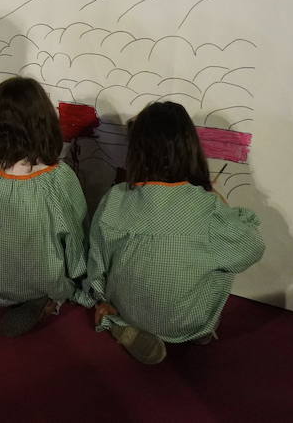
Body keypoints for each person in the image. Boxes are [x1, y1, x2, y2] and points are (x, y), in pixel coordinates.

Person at [85, 101, 265, 364]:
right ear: (190, 148)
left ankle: (115, 322)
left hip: (126, 311)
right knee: (221, 254)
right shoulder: (206, 207)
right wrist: (219, 200)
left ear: (136, 152)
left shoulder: (116, 197)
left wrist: (99, 296)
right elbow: (251, 247)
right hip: (185, 322)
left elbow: (97, 259)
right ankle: (196, 331)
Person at [0, 77, 88, 337]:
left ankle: (13, 297)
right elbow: (75, 237)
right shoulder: (58, 177)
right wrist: (80, 279)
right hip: (41, 282)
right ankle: (44, 301)